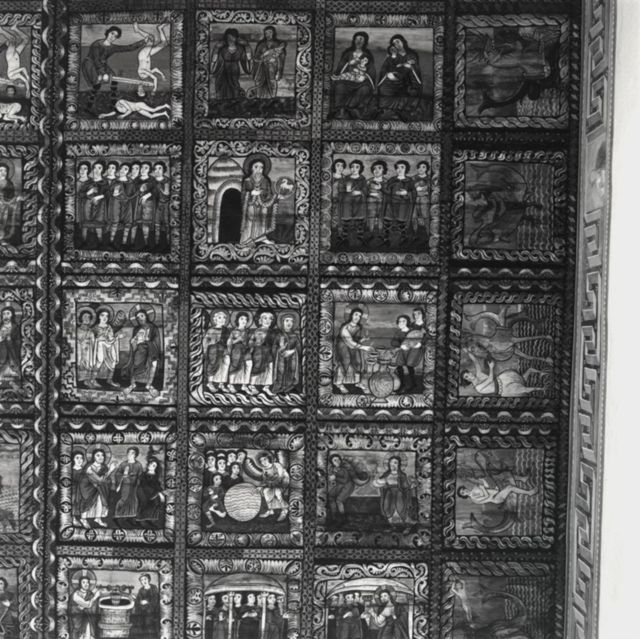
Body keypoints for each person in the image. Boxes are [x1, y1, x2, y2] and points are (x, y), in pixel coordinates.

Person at [81, 26, 146, 115]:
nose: (112, 37)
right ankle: (88, 107)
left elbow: (128, 48)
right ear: (107, 33)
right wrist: (103, 73)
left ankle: (113, 104)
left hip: (102, 65)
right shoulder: (97, 44)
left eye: (115, 36)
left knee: (114, 80)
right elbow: (96, 59)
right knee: (97, 84)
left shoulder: (112, 47)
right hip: (90, 64)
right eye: (112, 33)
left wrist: (143, 42)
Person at [460, 350, 547, 397]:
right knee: (524, 389)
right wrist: (491, 368)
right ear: (467, 380)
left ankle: (542, 372)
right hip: (504, 389)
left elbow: (475, 361)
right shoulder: (478, 388)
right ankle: (542, 389)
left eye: (468, 373)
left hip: (503, 379)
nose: (470, 375)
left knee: (524, 376)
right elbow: (490, 380)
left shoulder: (478, 374)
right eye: (467, 376)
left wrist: (467, 351)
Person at [376, 35, 424, 121]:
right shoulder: (393, 56)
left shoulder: (411, 55)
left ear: (403, 42)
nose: (396, 44)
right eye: (394, 43)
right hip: (392, 80)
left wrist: (408, 66)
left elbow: (414, 68)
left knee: (407, 92)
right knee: (383, 88)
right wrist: (388, 73)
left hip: (407, 80)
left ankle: (400, 111)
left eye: (398, 41)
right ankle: (388, 110)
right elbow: (385, 68)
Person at [330, 31, 375, 120]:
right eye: (357, 39)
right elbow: (340, 67)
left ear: (365, 42)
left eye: (361, 39)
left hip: (361, 81)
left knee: (365, 89)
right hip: (346, 80)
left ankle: (353, 110)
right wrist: (349, 63)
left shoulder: (367, 56)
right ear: (354, 41)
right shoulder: (347, 54)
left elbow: (371, 71)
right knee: (340, 86)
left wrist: (366, 76)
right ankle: (341, 110)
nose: (359, 41)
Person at [123, 306, 162, 396]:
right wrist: (133, 342)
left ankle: (149, 385)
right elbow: (134, 342)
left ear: (146, 316)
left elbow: (156, 342)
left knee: (154, 363)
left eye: (142, 316)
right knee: (135, 364)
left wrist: (147, 341)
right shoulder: (136, 329)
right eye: (137, 317)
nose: (139, 318)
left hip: (151, 351)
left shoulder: (153, 328)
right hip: (140, 350)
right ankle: (132, 385)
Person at [334, 308, 373, 394]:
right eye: (356, 314)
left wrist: (362, 340)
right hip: (343, 346)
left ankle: (357, 382)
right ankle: (339, 383)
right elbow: (349, 341)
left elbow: (355, 340)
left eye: (359, 316)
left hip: (353, 347)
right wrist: (363, 347)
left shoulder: (358, 327)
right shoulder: (345, 327)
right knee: (345, 362)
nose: (357, 317)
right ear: (351, 315)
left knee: (358, 362)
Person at [240, 157, 277, 245]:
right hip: (251, 204)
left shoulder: (265, 180)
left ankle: (261, 237)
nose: (259, 170)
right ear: (251, 168)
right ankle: (247, 239)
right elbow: (243, 193)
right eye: (256, 167)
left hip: (263, 204)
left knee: (262, 218)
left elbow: (269, 193)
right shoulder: (247, 180)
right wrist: (251, 193)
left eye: (261, 167)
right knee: (250, 218)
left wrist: (264, 194)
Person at [76, 448, 116, 528]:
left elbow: (106, 480)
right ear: (93, 457)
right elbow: (99, 479)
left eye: (102, 455)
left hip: (98, 487)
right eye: (98, 455)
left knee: (100, 499)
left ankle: (98, 518)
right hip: (87, 488)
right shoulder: (89, 467)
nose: (101, 457)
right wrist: (110, 470)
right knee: (87, 502)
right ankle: (83, 519)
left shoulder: (104, 467)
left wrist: (107, 482)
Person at [245, 451, 289, 521]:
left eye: (265, 459)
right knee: (266, 491)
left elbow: (280, 477)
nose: (263, 462)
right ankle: (270, 510)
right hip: (271, 486)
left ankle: (284, 510)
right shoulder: (264, 470)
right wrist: (260, 487)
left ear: (269, 459)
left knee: (277, 492)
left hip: (282, 484)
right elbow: (265, 481)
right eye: (261, 461)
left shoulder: (277, 465)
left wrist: (271, 482)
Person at [210, 28, 252, 101]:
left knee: (235, 86)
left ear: (236, 38)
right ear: (226, 38)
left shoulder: (240, 49)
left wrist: (247, 47)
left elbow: (246, 61)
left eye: (232, 37)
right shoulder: (223, 49)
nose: (230, 39)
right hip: (223, 71)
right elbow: (216, 61)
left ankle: (234, 101)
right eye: (228, 37)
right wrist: (216, 49)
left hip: (235, 70)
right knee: (223, 87)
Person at [326, 454, 369, 523]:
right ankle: (334, 516)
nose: (337, 461)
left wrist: (335, 478)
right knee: (330, 496)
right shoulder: (332, 469)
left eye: (338, 460)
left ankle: (342, 517)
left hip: (348, 485)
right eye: (335, 460)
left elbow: (345, 480)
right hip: (340, 485)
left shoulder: (344, 470)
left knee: (339, 500)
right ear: (332, 462)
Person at [372, 456, 413, 526]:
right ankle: (390, 522)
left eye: (395, 463)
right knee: (387, 507)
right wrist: (379, 482)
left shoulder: (402, 475)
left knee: (399, 506)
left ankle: (399, 522)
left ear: (399, 464)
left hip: (399, 494)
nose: (393, 464)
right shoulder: (386, 474)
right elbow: (379, 483)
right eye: (391, 462)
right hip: (388, 494)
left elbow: (406, 488)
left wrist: (410, 485)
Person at [383, 161, 416, 246]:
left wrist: (406, 193)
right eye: (397, 167)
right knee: (387, 220)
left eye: (402, 167)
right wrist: (382, 188)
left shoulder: (409, 181)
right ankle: (386, 239)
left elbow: (413, 192)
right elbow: (387, 191)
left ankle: (403, 238)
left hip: (403, 204)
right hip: (391, 203)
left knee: (401, 221)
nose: (399, 169)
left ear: (406, 169)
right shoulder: (392, 180)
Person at [391, 315, 424, 394]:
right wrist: (400, 345)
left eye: (403, 321)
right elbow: (393, 342)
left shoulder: (413, 331)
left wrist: (420, 344)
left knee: (410, 367)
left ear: (407, 322)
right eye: (400, 321)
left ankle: (413, 384)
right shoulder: (398, 332)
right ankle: (402, 384)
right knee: (399, 367)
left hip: (412, 352)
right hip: (402, 352)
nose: (401, 323)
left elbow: (421, 338)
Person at [132, 23, 168, 94]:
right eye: (143, 90)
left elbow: (154, 78)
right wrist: (162, 74)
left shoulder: (141, 73)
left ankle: (137, 30)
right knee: (164, 43)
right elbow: (155, 69)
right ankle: (159, 28)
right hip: (147, 55)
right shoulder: (145, 76)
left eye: (140, 90)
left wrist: (154, 89)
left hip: (143, 55)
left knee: (151, 38)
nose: (142, 88)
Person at [337, 161, 367, 244]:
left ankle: (360, 237)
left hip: (359, 202)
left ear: (360, 169)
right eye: (352, 166)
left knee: (360, 220)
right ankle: (344, 237)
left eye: (357, 167)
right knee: (346, 220)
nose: (354, 169)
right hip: (347, 202)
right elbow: (340, 189)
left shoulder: (362, 179)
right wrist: (345, 190)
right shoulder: (345, 179)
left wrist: (360, 192)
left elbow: (365, 189)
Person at [252, 27, 286, 99]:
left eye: (270, 32)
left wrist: (279, 72)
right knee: (259, 83)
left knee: (272, 83)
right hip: (261, 68)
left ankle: (272, 99)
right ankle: (259, 99)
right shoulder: (261, 45)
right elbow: (256, 57)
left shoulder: (278, 45)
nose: (268, 35)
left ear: (274, 33)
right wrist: (263, 55)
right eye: (266, 33)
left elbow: (281, 60)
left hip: (273, 68)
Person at [271, 313, 301, 395]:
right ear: (282, 322)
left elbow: (299, 348)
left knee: (291, 372)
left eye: (292, 321)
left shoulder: (295, 336)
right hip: (280, 359)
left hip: (292, 359)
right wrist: (280, 349)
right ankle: (279, 389)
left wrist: (292, 352)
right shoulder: (279, 335)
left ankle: (289, 388)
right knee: (281, 372)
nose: (289, 323)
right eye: (287, 320)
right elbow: (274, 348)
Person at [106, 162, 136, 244]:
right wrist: (113, 194)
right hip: (116, 203)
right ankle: (111, 242)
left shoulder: (131, 182)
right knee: (115, 221)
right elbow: (109, 192)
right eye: (121, 168)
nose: (122, 170)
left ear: (128, 172)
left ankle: (124, 243)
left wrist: (127, 198)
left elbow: (133, 194)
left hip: (127, 205)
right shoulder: (115, 181)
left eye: (125, 169)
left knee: (127, 223)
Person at [247, 311, 276, 392]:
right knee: (257, 367)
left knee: (269, 368)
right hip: (258, 353)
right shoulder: (256, 331)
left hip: (269, 353)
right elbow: (251, 342)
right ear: (260, 320)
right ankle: (252, 385)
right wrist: (254, 344)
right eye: (265, 318)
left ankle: (266, 387)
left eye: (270, 319)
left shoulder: (273, 332)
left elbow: (275, 343)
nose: (267, 321)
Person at [113, 447, 144, 519]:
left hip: (134, 485)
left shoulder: (138, 465)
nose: (129, 454)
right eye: (129, 453)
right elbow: (117, 474)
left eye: (132, 453)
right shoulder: (123, 464)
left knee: (133, 499)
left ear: (135, 455)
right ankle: (119, 513)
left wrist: (136, 481)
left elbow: (140, 476)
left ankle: (131, 514)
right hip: (125, 485)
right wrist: (123, 476)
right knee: (124, 498)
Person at [0, 26, 30, 98]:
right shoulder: (18, 76)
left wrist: (27, 76)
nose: (21, 83)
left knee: (12, 39)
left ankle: (1, 30)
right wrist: (28, 91)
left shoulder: (11, 76)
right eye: (21, 84)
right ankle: (15, 28)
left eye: (20, 84)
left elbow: (23, 68)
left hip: (11, 56)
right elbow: (26, 82)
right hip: (16, 56)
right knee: (26, 39)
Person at [204, 310, 231, 391]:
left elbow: (229, 341)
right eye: (220, 318)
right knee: (213, 364)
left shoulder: (226, 330)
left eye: (224, 318)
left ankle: (221, 384)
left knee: (226, 363)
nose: (222, 319)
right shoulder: (211, 330)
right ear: (215, 319)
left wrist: (229, 349)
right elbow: (206, 341)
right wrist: (207, 348)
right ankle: (210, 383)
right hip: (214, 350)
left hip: (224, 349)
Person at [69, 574, 101, 639]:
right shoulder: (76, 594)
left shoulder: (90, 594)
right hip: (77, 619)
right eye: (83, 582)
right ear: (80, 584)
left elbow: (93, 606)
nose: (86, 584)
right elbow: (88, 604)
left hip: (88, 620)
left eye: (87, 582)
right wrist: (95, 596)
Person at [84, 161, 109, 243]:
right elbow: (81, 194)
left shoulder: (105, 182)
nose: (96, 170)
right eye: (95, 168)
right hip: (88, 206)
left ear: (103, 170)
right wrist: (88, 193)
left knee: (98, 224)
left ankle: (100, 242)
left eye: (99, 168)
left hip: (100, 206)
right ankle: (85, 242)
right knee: (87, 224)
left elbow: (108, 194)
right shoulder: (89, 182)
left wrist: (99, 197)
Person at [225, 312, 251, 389]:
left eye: (246, 319)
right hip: (236, 351)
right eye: (242, 319)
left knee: (248, 364)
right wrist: (238, 340)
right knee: (235, 365)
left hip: (246, 351)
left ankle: (244, 385)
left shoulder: (248, 331)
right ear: (237, 320)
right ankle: (231, 384)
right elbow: (229, 343)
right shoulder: (234, 331)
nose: (244, 321)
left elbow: (250, 342)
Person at [136, 456, 165, 524]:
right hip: (143, 492)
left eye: (153, 465)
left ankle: (151, 520)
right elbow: (142, 484)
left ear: (156, 468)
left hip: (152, 493)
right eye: (150, 463)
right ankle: (142, 519)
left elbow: (157, 486)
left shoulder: (155, 477)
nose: (150, 465)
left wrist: (160, 493)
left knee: (156, 502)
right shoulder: (143, 475)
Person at [130, 573, 159, 639]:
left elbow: (156, 600)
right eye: (142, 580)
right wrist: (137, 600)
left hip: (152, 612)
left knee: (149, 625)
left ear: (148, 579)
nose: (144, 581)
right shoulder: (141, 590)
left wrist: (147, 602)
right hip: (142, 611)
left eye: (145, 579)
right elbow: (138, 601)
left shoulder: (154, 588)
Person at [365, 161, 388, 234]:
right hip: (371, 204)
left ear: (383, 170)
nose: (376, 170)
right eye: (374, 168)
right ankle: (370, 232)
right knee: (371, 217)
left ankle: (381, 233)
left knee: (381, 217)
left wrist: (381, 188)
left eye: (379, 168)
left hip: (382, 204)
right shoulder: (369, 182)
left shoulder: (386, 182)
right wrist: (371, 194)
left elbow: (388, 193)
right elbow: (364, 192)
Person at [0, 307, 20, 388]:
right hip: (1, 354)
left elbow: (19, 342)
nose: (5, 316)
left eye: (8, 313)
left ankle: (14, 384)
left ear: (12, 315)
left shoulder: (16, 327)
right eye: (4, 314)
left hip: (12, 355)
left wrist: (10, 339)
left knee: (13, 372)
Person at [76, 308, 96, 388]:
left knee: (88, 365)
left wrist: (90, 343)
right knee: (80, 365)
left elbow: (93, 343)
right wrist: (81, 344)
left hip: (88, 352)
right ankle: (80, 380)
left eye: (88, 317)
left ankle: (87, 380)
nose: (87, 319)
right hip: (80, 352)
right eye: (85, 317)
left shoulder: (90, 331)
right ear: (81, 318)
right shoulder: (77, 330)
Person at [413, 161, 431, 233]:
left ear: (426, 169)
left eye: (423, 167)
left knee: (425, 216)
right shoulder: (413, 178)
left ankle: (428, 232)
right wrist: (415, 189)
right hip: (415, 199)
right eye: (419, 167)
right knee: (414, 217)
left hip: (425, 200)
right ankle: (415, 233)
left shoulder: (430, 179)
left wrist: (425, 191)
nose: (421, 169)